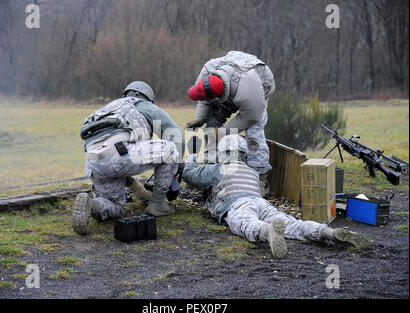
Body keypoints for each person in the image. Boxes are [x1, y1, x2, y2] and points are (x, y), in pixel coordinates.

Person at [182, 134, 368, 258]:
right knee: (292, 224)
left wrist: (190, 160)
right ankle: (325, 232)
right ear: (244, 154)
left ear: (221, 154)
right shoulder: (252, 171)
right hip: (261, 203)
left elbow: (191, 177)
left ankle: (267, 231)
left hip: (237, 205)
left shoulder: (218, 169)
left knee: (245, 224)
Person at [72, 81, 185, 235]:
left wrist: (140, 191)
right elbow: (175, 134)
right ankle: (158, 204)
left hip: (93, 162)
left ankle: (91, 205)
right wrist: (177, 166)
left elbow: (117, 165)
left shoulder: (108, 109)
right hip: (119, 153)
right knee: (171, 148)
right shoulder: (143, 105)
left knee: (116, 207)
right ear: (147, 97)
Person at [185, 51, 275, 196]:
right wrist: (200, 119)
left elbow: (250, 118)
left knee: (254, 133)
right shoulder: (208, 70)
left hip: (260, 83)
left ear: (218, 96)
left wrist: (223, 131)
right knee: (211, 124)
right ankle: (210, 172)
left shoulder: (250, 95)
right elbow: (204, 99)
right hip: (231, 81)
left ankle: (261, 178)